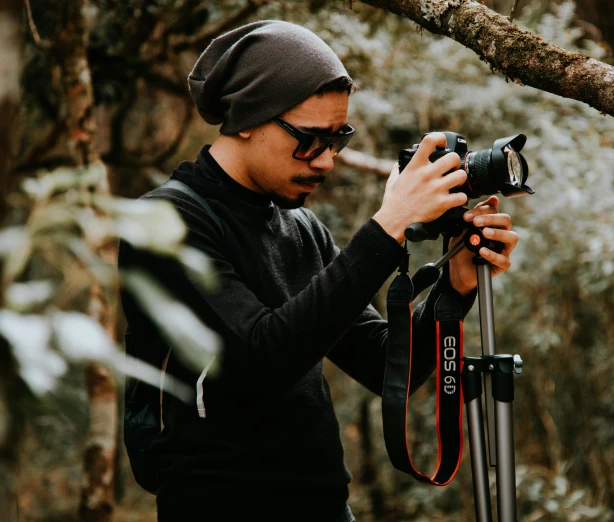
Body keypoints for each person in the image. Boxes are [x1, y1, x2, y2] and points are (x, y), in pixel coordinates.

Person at [117, 19, 519, 522]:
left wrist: (453, 288)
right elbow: (259, 359)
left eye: (337, 138)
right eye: (309, 139)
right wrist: (387, 225)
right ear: (245, 117)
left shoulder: (300, 226)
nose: (327, 160)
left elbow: (384, 364)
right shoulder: (169, 222)